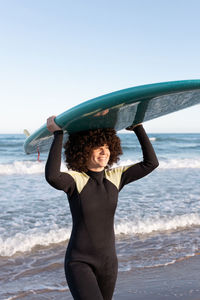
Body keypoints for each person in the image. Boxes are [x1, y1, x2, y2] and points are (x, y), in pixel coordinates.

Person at [45, 116, 159, 300]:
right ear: (83, 149)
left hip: (109, 263)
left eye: (106, 147)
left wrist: (138, 127)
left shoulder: (116, 177)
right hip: (79, 262)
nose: (104, 151)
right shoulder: (76, 180)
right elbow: (52, 176)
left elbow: (151, 163)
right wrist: (58, 134)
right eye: (97, 147)